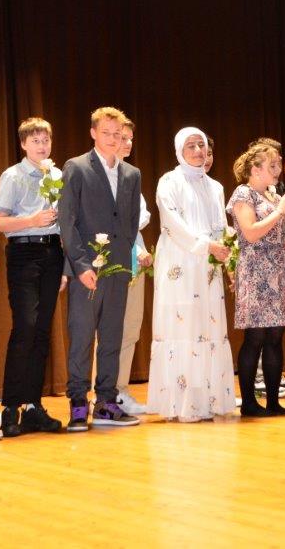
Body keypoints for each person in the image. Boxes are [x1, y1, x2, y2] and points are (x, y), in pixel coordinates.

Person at [59, 107, 143, 431]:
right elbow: (67, 222)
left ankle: (106, 402)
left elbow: (131, 222)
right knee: (82, 337)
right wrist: (81, 265)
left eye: (118, 134)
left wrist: (123, 261)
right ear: (93, 133)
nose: (112, 139)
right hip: (86, 270)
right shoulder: (77, 167)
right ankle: (78, 403)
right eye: (106, 133)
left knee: (112, 338)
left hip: (118, 268)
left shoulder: (132, 174)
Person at [147, 127, 235, 421]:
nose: (198, 150)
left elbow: (220, 225)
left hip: (208, 265)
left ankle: (208, 400)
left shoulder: (215, 186)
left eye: (202, 145)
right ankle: (181, 403)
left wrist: (226, 251)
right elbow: (172, 223)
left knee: (208, 327)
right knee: (183, 327)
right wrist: (206, 245)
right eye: (191, 146)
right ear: (179, 150)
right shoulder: (169, 181)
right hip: (180, 263)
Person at [0, 117, 66, 437]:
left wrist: (65, 266)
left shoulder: (58, 176)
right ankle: (10, 406)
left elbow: (65, 223)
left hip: (52, 253)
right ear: (23, 144)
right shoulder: (13, 176)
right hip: (23, 252)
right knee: (26, 327)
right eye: (35, 141)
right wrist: (32, 220)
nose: (42, 146)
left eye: (46, 140)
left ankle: (33, 406)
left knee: (42, 331)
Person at [227, 143, 285, 417]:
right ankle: (248, 403)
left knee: (275, 337)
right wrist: (280, 212)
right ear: (256, 169)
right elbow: (250, 233)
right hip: (256, 271)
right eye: (272, 166)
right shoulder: (243, 193)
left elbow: (281, 243)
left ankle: (272, 401)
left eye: (278, 165)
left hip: (278, 270)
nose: (278, 170)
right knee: (255, 337)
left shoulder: (273, 196)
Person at [114, 118, 153, 415]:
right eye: (121, 137)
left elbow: (138, 219)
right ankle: (105, 391)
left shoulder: (131, 176)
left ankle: (120, 390)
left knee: (130, 328)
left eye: (130, 139)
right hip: (110, 260)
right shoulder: (99, 177)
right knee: (110, 330)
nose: (127, 143)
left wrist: (139, 249)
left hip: (133, 258)